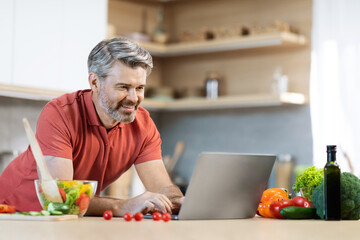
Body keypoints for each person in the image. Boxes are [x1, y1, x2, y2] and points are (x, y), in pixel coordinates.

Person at [0, 37, 184, 216]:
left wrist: (179, 202)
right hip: (14, 213)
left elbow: (162, 188)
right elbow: (60, 197)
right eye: (123, 87)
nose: (134, 98)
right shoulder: (60, 114)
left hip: (69, 218)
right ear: (95, 82)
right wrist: (125, 205)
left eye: (139, 88)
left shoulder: (143, 125)